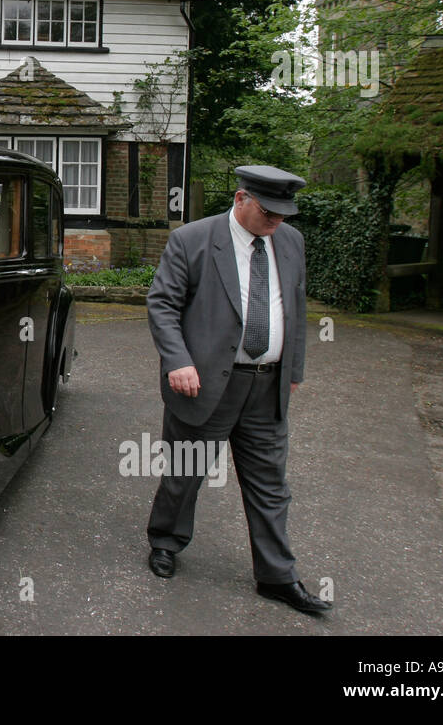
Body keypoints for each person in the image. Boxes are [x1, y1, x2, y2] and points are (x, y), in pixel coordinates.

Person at [143, 165, 330, 615]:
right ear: (241, 198)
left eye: (285, 214)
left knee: (271, 485)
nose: (277, 222)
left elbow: (296, 307)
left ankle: (276, 576)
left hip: (267, 387)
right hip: (204, 383)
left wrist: (294, 368)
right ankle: (166, 540)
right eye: (269, 212)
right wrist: (178, 360)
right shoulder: (193, 240)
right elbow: (162, 304)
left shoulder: (290, 241)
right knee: (185, 474)